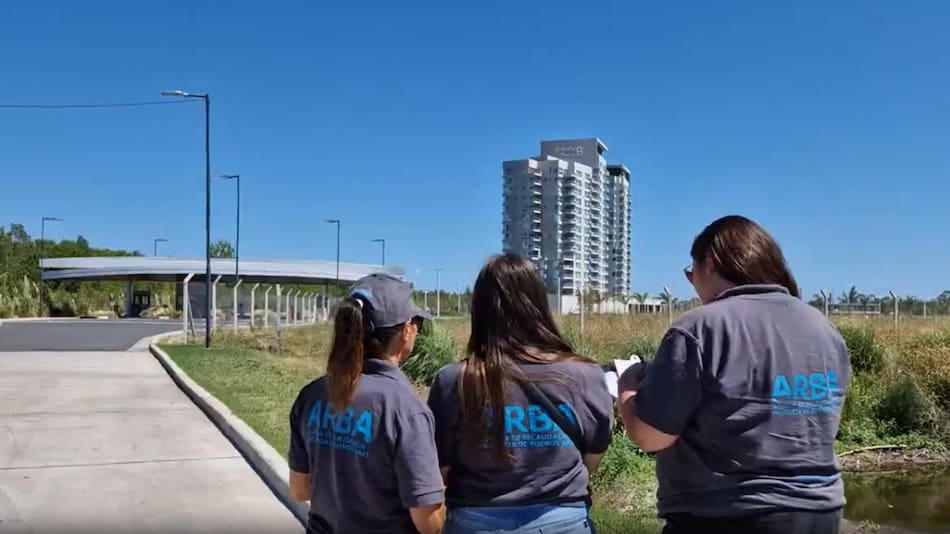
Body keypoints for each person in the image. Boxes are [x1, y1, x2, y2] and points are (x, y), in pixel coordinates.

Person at [618, 215, 851, 534]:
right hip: (820, 513)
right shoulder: (823, 328)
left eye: (691, 272)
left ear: (709, 264)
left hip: (727, 514)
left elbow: (650, 436)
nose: (693, 282)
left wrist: (627, 386)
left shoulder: (700, 327)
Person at [427, 254, 613, 534]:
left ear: (480, 309)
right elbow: (592, 457)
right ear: (539, 305)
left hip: (476, 521)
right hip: (563, 520)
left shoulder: (454, 380)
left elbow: (439, 470)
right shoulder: (586, 375)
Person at [288, 273, 445, 534]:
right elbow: (428, 523)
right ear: (406, 331)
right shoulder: (406, 410)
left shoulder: (311, 396)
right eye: (417, 323)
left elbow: (299, 489)